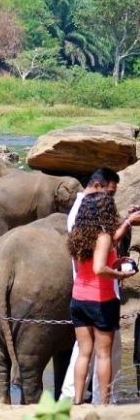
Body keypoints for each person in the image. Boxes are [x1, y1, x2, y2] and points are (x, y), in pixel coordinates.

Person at [61, 168, 140, 403]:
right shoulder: (102, 235)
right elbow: (98, 267)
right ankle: (103, 404)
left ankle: (76, 401)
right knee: (104, 355)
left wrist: (126, 223)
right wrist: (118, 274)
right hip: (101, 300)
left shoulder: (79, 233)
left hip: (79, 299)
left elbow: (99, 252)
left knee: (84, 353)